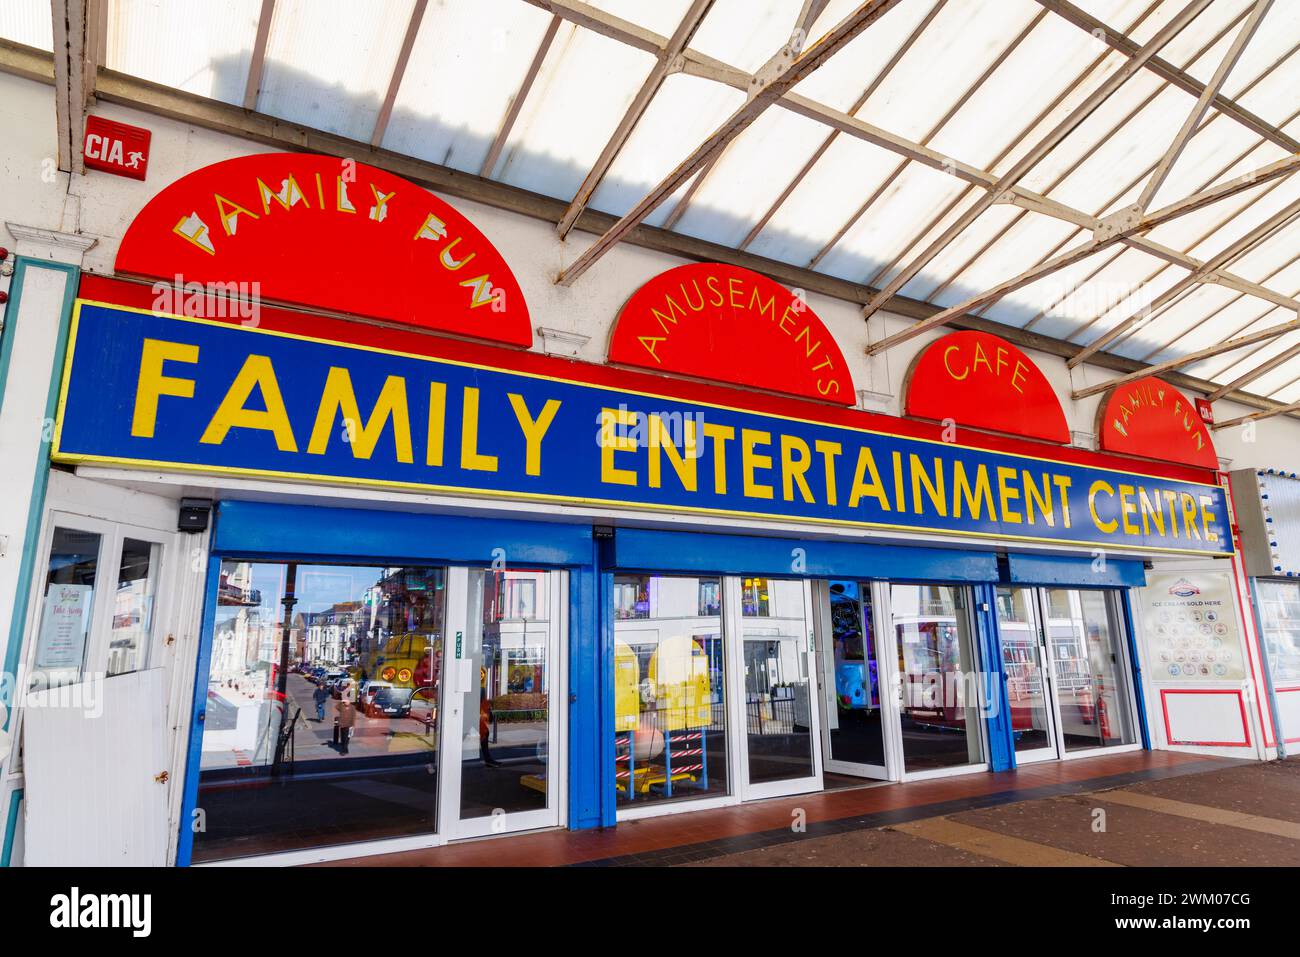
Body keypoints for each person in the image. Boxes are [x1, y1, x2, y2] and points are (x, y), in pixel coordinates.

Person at [337, 679, 357, 755]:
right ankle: (345, 749)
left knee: (346, 736)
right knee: (344, 736)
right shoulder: (346, 692)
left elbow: (353, 715)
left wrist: (353, 724)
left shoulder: (351, 692)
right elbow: (338, 707)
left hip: (349, 723)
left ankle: (344, 749)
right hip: (343, 722)